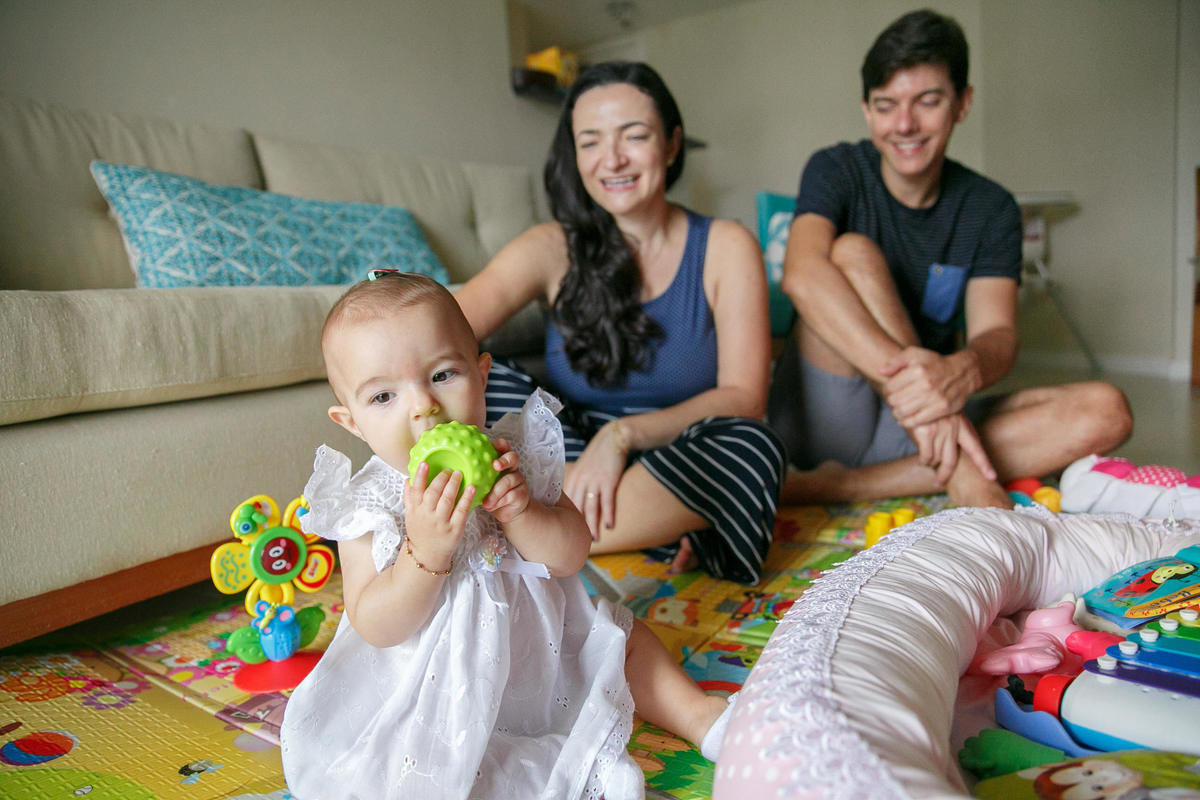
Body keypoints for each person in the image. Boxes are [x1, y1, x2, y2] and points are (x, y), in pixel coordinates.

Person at [279, 272, 736, 800]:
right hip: (440, 689)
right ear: (352, 422)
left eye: (443, 375)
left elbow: (571, 554)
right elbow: (376, 625)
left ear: (482, 374)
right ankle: (572, 775)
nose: (423, 405)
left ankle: (702, 716)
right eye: (383, 396)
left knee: (622, 639)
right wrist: (424, 552)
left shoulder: (515, 458)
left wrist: (523, 513)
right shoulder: (369, 506)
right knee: (444, 768)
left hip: (540, 650)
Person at [767, 8, 1132, 508]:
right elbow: (802, 274)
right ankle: (960, 470)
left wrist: (959, 373)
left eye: (928, 101)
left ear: (962, 103)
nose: (904, 124)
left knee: (1107, 410)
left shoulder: (991, 207)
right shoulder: (836, 168)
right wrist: (921, 392)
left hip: (920, 427)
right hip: (828, 417)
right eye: (886, 105)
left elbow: (997, 334)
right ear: (867, 111)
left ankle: (843, 486)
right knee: (850, 252)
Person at [455, 61, 785, 585]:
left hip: (677, 452)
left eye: (634, 136)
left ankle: (522, 531)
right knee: (473, 377)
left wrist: (621, 436)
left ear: (672, 145)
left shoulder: (726, 245)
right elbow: (443, 331)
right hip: (569, 456)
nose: (612, 160)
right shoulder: (551, 246)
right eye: (590, 142)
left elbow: (746, 397)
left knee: (752, 445)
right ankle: (641, 527)